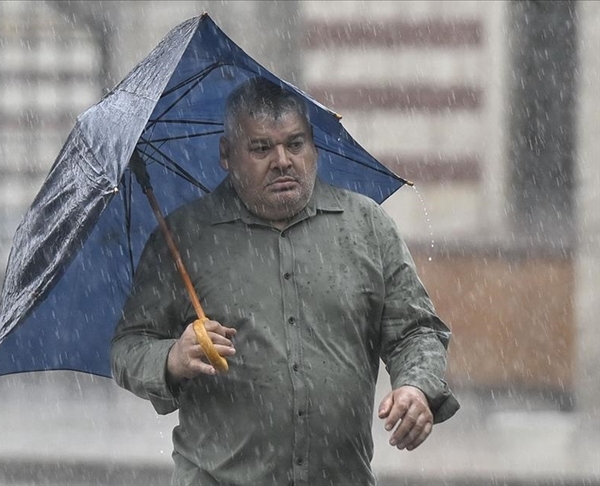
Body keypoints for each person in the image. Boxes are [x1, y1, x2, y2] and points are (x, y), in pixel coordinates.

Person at [110, 77, 459, 486]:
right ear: (226, 154)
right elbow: (128, 347)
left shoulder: (366, 226)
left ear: (314, 146)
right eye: (261, 148)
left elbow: (415, 330)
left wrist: (416, 386)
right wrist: (172, 357)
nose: (282, 160)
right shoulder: (184, 238)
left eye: (295, 144)